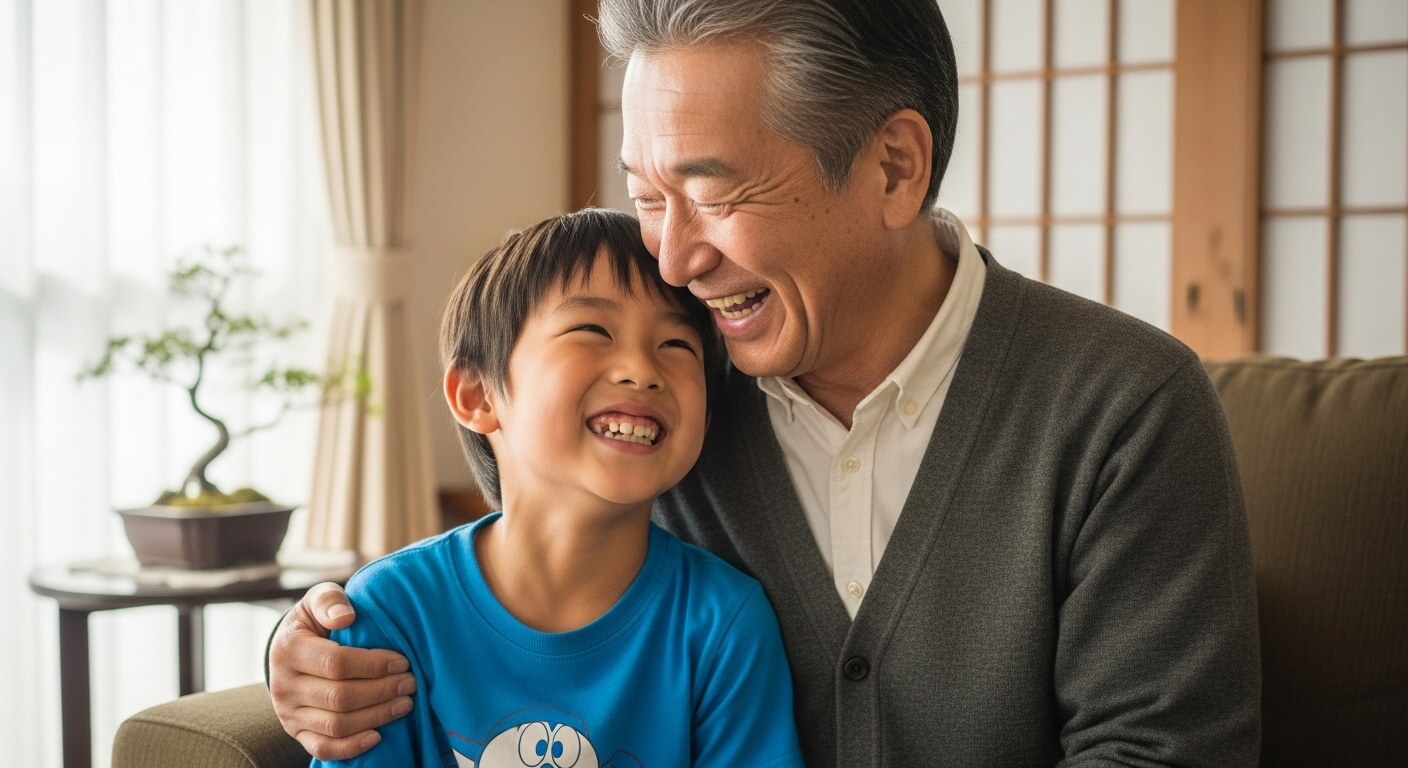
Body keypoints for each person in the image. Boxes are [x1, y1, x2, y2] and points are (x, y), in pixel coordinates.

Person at [270, 1, 1262, 765]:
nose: (669, 261)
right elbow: (508, 595)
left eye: (710, 195)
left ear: (892, 168)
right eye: (645, 199)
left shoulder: (1121, 408)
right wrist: (317, 643)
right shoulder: (657, 400)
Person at [305, 208, 804, 767]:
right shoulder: (394, 610)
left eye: (677, 346)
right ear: (477, 395)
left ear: (707, 417)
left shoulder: (722, 621)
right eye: (592, 331)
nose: (642, 369)